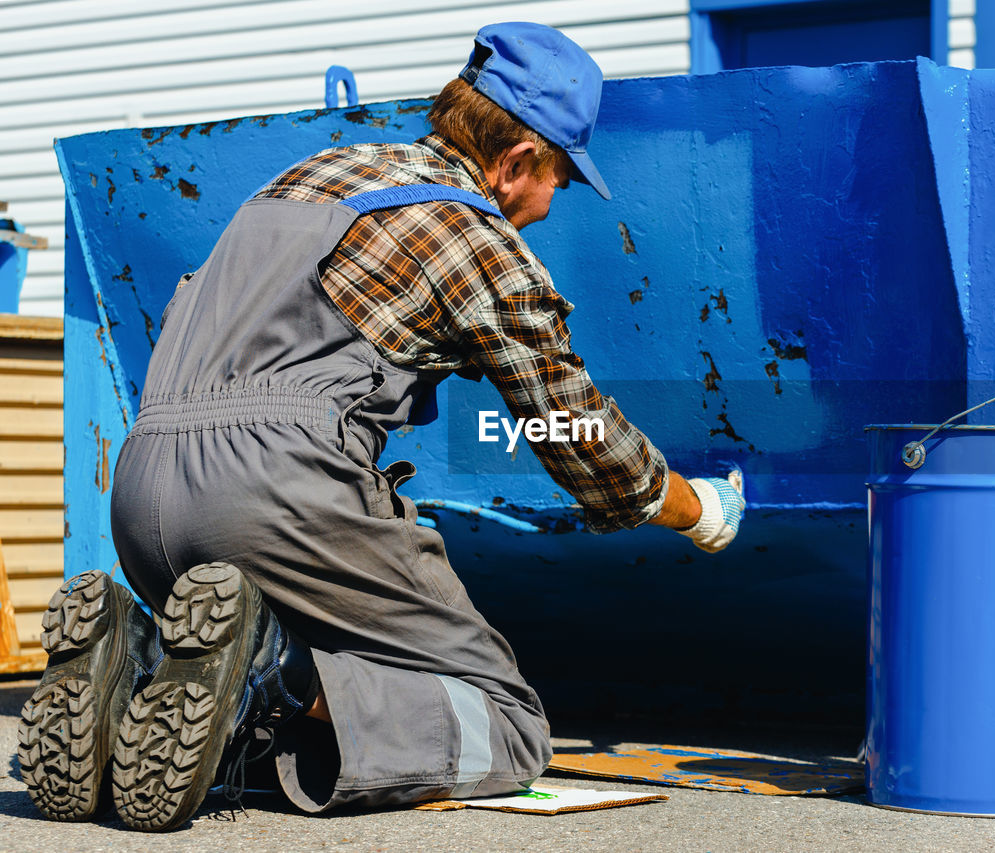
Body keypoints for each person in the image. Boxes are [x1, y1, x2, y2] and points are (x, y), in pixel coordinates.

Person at [18, 22, 746, 831]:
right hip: (274, 489)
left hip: (144, 482)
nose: (551, 205)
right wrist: (699, 509)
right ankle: (274, 671)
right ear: (514, 165)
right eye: (561, 181)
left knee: (309, 660)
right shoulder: (480, 242)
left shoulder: (313, 173)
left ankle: (145, 666)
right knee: (504, 721)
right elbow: (579, 440)